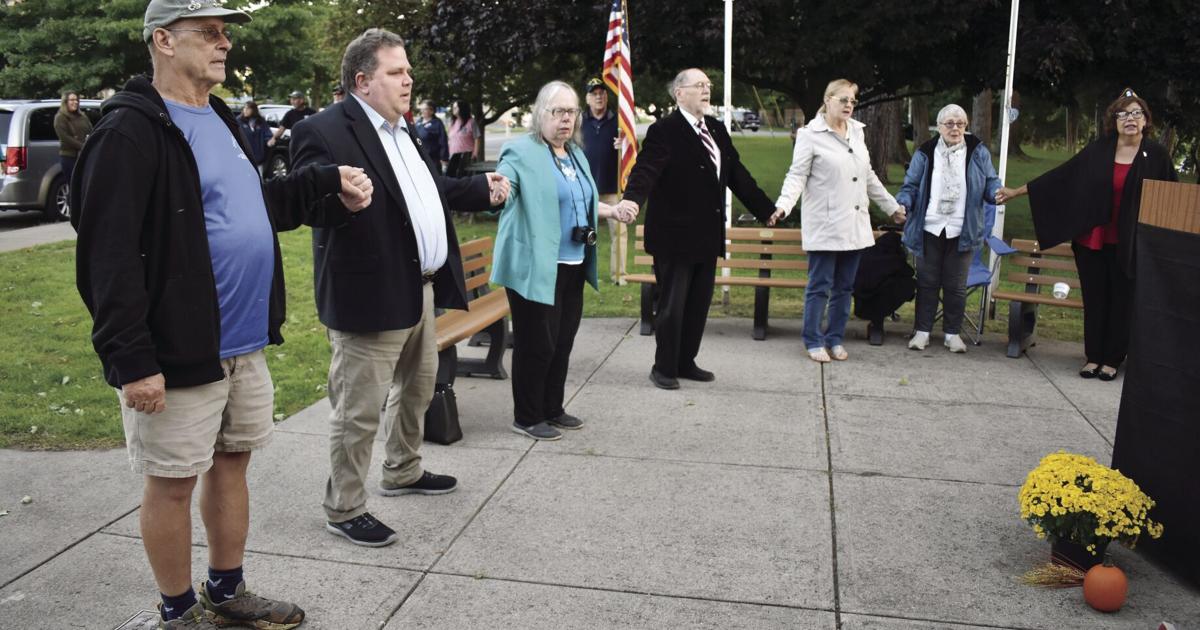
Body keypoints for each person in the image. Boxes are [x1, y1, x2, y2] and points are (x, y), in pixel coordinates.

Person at [70, 2, 372, 628]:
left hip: (242, 343)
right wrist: (131, 360)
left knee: (233, 464)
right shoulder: (128, 132)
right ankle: (178, 612)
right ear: (162, 40)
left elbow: (253, 205)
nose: (223, 43)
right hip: (177, 350)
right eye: (208, 32)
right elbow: (108, 255)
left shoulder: (219, 117)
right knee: (173, 481)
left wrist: (322, 182)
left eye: (225, 33)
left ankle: (227, 592)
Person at [289, 28, 510, 548]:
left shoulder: (402, 130)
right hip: (368, 296)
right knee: (358, 409)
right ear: (362, 80)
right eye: (396, 71)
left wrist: (481, 187)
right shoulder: (323, 130)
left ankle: (403, 470)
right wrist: (334, 198)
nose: (409, 79)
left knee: (417, 387)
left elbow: (427, 191)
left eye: (408, 70)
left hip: (421, 288)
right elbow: (303, 202)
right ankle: (344, 507)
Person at [996, 89, 1177, 381]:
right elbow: (1062, 176)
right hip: (1094, 241)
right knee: (1096, 300)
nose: (1130, 119)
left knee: (1122, 301)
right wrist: (1016, 192)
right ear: (1114, 120)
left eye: (1136, 114)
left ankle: (1112, 360)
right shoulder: (1100, 149)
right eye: (1123, 114)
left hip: (1131, 244)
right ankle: (1093, 357)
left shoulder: (1155, 155)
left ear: (1145, 120)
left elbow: (1172, 198)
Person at [492, 80, 636, 440]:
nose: (566, 119)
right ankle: (526, 416)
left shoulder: (574, 154)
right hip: (535, 266)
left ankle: (552, 408)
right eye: (558, 111)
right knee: (535, 342)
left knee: (562, 341)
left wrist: (613, 210)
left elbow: (584, 202)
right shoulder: (519, 151)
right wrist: (498, 191)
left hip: (572, 263)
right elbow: (506, 189)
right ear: (541, 113)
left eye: (571, 112)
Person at [619, 68, 779, 390]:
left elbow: (737, 175)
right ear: (679, 92)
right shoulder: (665, 130)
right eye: (699, 86)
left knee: (697, 307)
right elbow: (645, 169)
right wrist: (632, 199)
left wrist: (765, 209)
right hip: (674, 237)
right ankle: (663, 367)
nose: (707, 91)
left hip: (707, 236)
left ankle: (685, 361)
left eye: (708, 86)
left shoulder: (717, 130)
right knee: (672, 306)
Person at [773, 78, 906, 363]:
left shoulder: (857, 132)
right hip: (825, 222)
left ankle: (834, 338)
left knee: (845, 287)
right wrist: (783, 206)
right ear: (828, 99)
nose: (849, 105)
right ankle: (813, 340)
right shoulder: (810, 134)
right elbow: (796, 176)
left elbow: (868, 176)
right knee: (820, 285)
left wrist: (892, 207)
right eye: (843, 99)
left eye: (853, 101)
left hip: (855, 224)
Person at [895, 104, 1002, 353]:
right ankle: (922, 332)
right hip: (929, 227)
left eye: (960, 123)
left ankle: (952, 334)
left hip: (962, 229)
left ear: (966, 126)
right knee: (927, 282)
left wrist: (995, 193)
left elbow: (991, 181)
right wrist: (903, 203)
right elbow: (910, 186)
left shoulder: (978, 151)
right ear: (939, 126)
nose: (955, 128)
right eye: (950, 123)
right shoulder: (925, 151)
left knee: (956, 285)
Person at [580, 77, 627, 284]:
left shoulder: (619, 121)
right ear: (587, 98)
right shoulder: (578, 122)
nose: (598, 97)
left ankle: (619, 275)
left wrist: (624, 146)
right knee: (582, 234)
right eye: (594, 93)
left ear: (607, 97)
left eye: (602, 93)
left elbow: (634, 152)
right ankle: (580, 274)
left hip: (612, 189)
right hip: (585, 189)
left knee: (620, 233)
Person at [53, 91, 92, 184]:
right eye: (72, 100)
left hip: (83, 157)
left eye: (76, 100)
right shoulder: (60, 118)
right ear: (65, 102)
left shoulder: (82, 116)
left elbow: (91, 130)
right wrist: (82, 146)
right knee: (74, 185)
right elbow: (65, 137)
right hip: (69, 157)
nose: (75, 102)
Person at [413, 99, 450, 174]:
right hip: (419, 159)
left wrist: (444, 158)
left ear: (432, 111)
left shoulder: (437, 123)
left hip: (433, 160)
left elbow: (443, 141)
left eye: (425, 109)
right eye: (421, 109)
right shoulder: (418, 123)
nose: (422, 111)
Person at [447, 99, 482, 176]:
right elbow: (449, 139)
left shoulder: (471, 122)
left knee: (464, 177)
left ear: (462, 108)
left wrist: (475, 153)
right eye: (453, 107)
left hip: (466, 156)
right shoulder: (452, 122)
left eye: (456, 107)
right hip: (453, 156)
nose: (453, 109)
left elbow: (477, 138)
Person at [235, 100, 271, 168]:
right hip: (244, 157)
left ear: (253, 110)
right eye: (244, 108)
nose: (245, 110)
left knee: (259, 176)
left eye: (248, 108)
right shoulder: (238, 121)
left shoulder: (260, 121)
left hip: (258, 157)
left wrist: (269, 140)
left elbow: (267, 133)